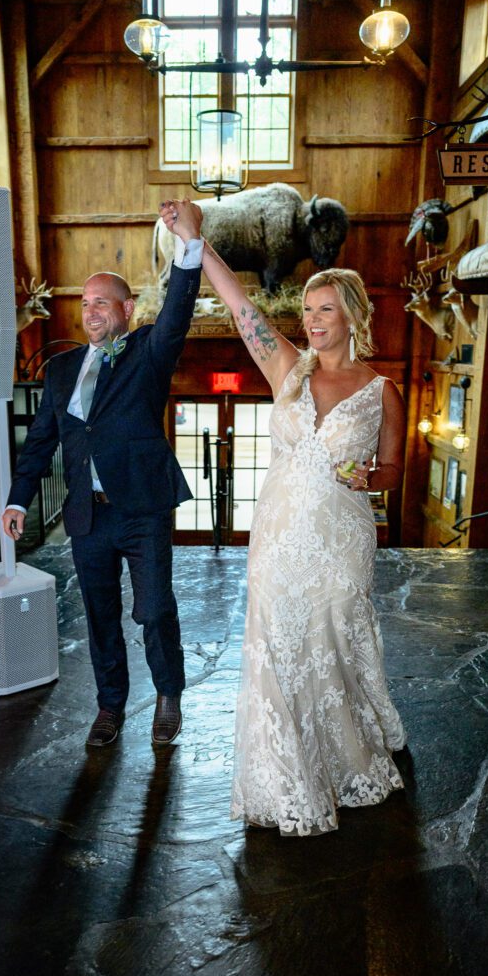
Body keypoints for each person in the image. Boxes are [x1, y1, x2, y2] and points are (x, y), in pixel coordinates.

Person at [162, 198, 407, 836]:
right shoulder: (287, 370)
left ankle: (346, 750)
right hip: (278, 537)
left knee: (332, 638)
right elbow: (241, 306)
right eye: (307, 309)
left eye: (325, 309)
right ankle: (283, 776)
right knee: (276, 648)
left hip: (342, 536)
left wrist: (368, 478)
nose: (313, 320)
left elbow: (392, 471)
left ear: (351, 315)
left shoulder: (383, 391)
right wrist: (198, 240)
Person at [2, 205, 204, 748]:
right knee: (100, 616)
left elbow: (179, 312)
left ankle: (168, 696)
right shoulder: (63, 368)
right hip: (87, 517)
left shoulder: (145, 353)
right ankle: (110, 705)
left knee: (155, 608)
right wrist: (20, 499)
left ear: (127, 309)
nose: (90, 311)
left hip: (141, 509)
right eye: (84, 303)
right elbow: (43, 439)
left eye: (101, 302)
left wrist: (189, 245)